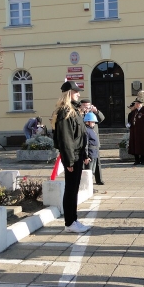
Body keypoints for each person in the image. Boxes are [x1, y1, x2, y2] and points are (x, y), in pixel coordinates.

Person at [52, 81, 90, 233]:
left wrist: (84, 154)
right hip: (72, 156)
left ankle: (73, 219)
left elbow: (79, 135)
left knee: (74, 189)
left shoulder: (74, 110)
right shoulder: (65, 112)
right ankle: (69, 222)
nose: (79, 94)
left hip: (78, 154)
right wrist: (69, 160)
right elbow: (66, 139)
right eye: (76, 92)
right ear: (68, 93)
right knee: (70, 189)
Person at [80, 99, 106, 185]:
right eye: (85, 106)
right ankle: (86, 181)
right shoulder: (80, 114)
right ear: (81, 106)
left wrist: (96, 111)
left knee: (97, 161)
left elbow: (102, 118)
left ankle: (99, 179)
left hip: (95, 141)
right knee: (88, 163)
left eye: (88, 106)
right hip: (87, 141)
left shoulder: (93, 113)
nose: (87, 108)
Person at [128, 91, 144, 165]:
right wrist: (130, 124)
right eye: (135, 104)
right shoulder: (134, 111)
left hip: (142, 132)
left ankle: (143, 160)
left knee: (142, 145)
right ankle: (137, 160)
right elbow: (132, 119)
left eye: (137, 104)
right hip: (135, 131)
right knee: (135, 146)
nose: (135, 105)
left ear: (140, 104)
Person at [83, 112, 100, 177]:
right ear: (87, 122)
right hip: (90, 154)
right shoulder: (86, 130)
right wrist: (86, 156)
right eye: (93, 122)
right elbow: (85, 144)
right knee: (88, 172)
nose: (94, 124)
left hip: (94, 153)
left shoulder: (91, 130)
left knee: (92, 172)